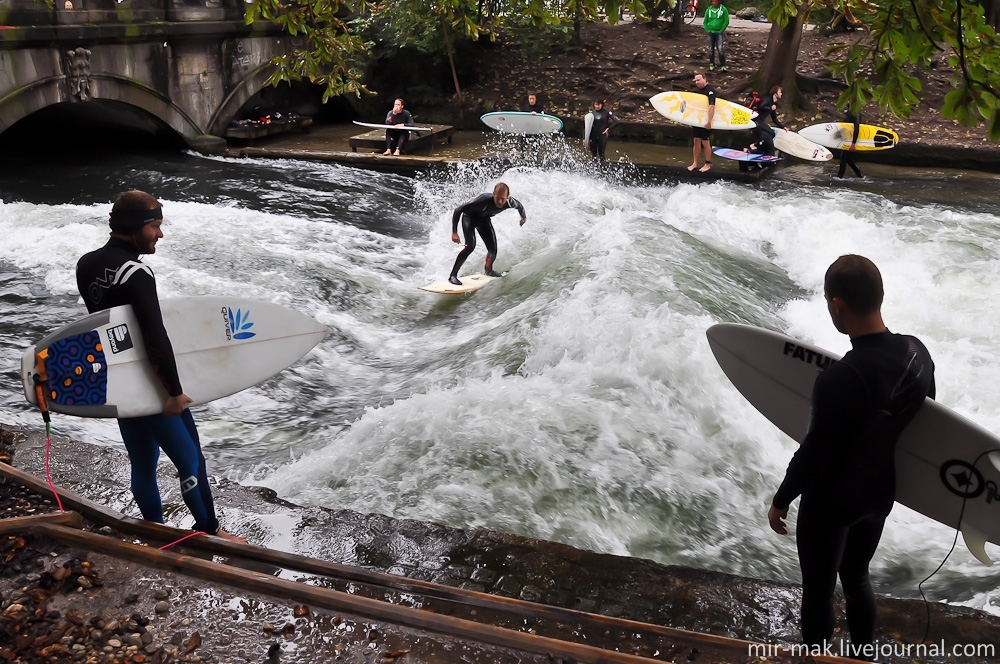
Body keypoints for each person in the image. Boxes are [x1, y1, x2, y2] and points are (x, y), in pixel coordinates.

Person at [768, 255, 935, 656]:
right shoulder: (917, 353)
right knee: (857, 576)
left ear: (837, 305)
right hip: (879, 494)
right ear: (879, 296)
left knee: (819, 592)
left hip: (831, 501)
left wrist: (781, 498)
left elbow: (815, 453)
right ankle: (863, 657)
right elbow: (925, 418)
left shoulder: (839, 378)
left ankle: (820, 659)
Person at [76, 190, 246, 543]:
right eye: (155, 226)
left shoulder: (86, 264)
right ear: (137, 227)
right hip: (151, 384)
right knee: (190, 461)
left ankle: (155, 530)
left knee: (143, 462)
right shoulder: (136, 272)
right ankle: (210, 529)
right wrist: (172, 392)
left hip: (120, 381)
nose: (160, 235)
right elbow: (154, 335)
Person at [448, 182, 527, 286]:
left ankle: (488, 270)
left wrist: (523, 217)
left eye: (502, 199)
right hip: (469, 218)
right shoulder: (483, 200)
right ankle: (453, 275)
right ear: (493, 194)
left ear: (507, 197)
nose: (499, 201)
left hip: (484, 220)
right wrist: (454, 232)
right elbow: (458, 209)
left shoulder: (510, 202)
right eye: (497, 197)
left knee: (492, 250)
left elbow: (520, 206)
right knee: (470, 246)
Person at [688, 72, 716, 172]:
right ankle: (695, 163)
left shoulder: (710, 90)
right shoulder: (697, 92)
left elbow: (712, 106)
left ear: (705, 79)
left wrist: (709, 121)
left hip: (706, 121)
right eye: (695, 81)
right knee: (696, 141)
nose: (697, 82)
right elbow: (695, 107)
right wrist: (691, 120)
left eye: (699, 80)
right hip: (697, 121)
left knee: (705, 142)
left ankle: (707, 164)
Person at [703, 0, 730, 72]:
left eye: (716, 1)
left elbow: (726, 21)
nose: (714, 3)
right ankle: (712, 64)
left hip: (719, 32)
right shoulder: (709, 10)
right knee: (710, 49)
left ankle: (723, 65)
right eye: (713, 1)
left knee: (720, 49)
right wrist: (707, 29)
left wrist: (722, 30)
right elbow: (705, 21)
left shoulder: (723, 9)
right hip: (710, 32)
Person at [838, 111, 864, 178]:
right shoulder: (850, 110)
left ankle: (839, 177)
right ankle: (861, 176)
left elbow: (857, 127)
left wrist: (853, 143)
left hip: (851, 139)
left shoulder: (856, 112)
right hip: (847, 138)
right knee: (849, 160)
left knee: (843, 159)